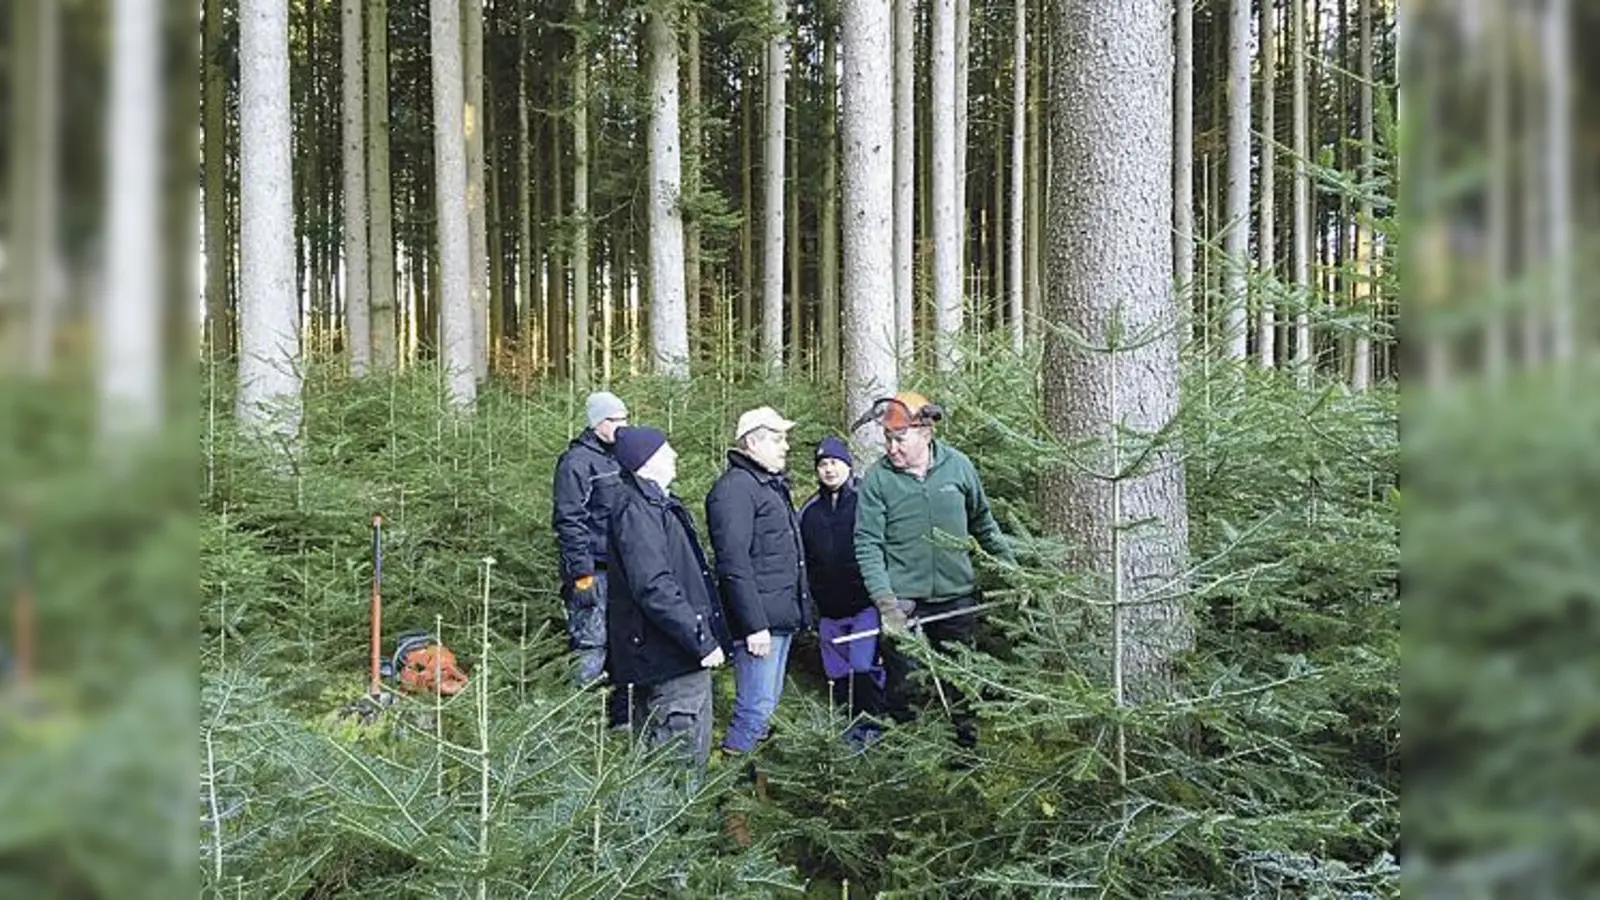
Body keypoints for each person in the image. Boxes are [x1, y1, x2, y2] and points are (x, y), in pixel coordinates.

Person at [853, 392, 1015, 747]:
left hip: (957, 600)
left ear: (926, 433)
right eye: (887, 440)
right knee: (904, 687)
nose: (892, 448)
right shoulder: (878, 480)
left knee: (962, 683)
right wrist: (886, 604)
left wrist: (1014, 574)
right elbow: (867, 544)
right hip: (904, 604)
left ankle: (965, 756)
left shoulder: (958, 467)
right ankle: (908, 757)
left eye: (900, 440)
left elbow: (983, 525)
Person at [605, 426, 731, 766]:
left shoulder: (653, 504)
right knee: (677, 763)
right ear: (646, 462)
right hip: (670, 658)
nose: (674, 455)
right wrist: (700, 639)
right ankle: (675, 821)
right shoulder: (637, 510)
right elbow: (654, 586)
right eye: (666, 450)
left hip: (672, 654)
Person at [706, 406, 812, 756]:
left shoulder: (766, 485)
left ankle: (752, 795)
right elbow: (733, 562)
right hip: (760, 625)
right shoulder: (735, 490)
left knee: (764, 709)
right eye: (777, 439)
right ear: (753, 442)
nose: (785, 446)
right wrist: (753, 625)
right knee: (754, 710)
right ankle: (733, 797)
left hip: (776, 618)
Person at [799, 436, 892, 745]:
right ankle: (847, 730)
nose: (828, 470)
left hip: (864, 605)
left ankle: (874, 729)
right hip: (828, 610)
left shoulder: (865, 500)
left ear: (848, 466)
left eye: (834, 463)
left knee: (863, 667)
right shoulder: (809, 511)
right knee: (837, 673)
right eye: (822, 464)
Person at [550, 391, 629, 726]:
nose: (623, 427)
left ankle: (621, 720)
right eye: (615, 421)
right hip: (593, 572)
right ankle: (581, 725)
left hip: (623, 571)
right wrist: (581, 575)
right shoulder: (576, 463)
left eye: (626, 419)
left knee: (623, 645)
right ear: (598, 423)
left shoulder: (622, 458)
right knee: (591, 647)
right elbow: (569, 521)